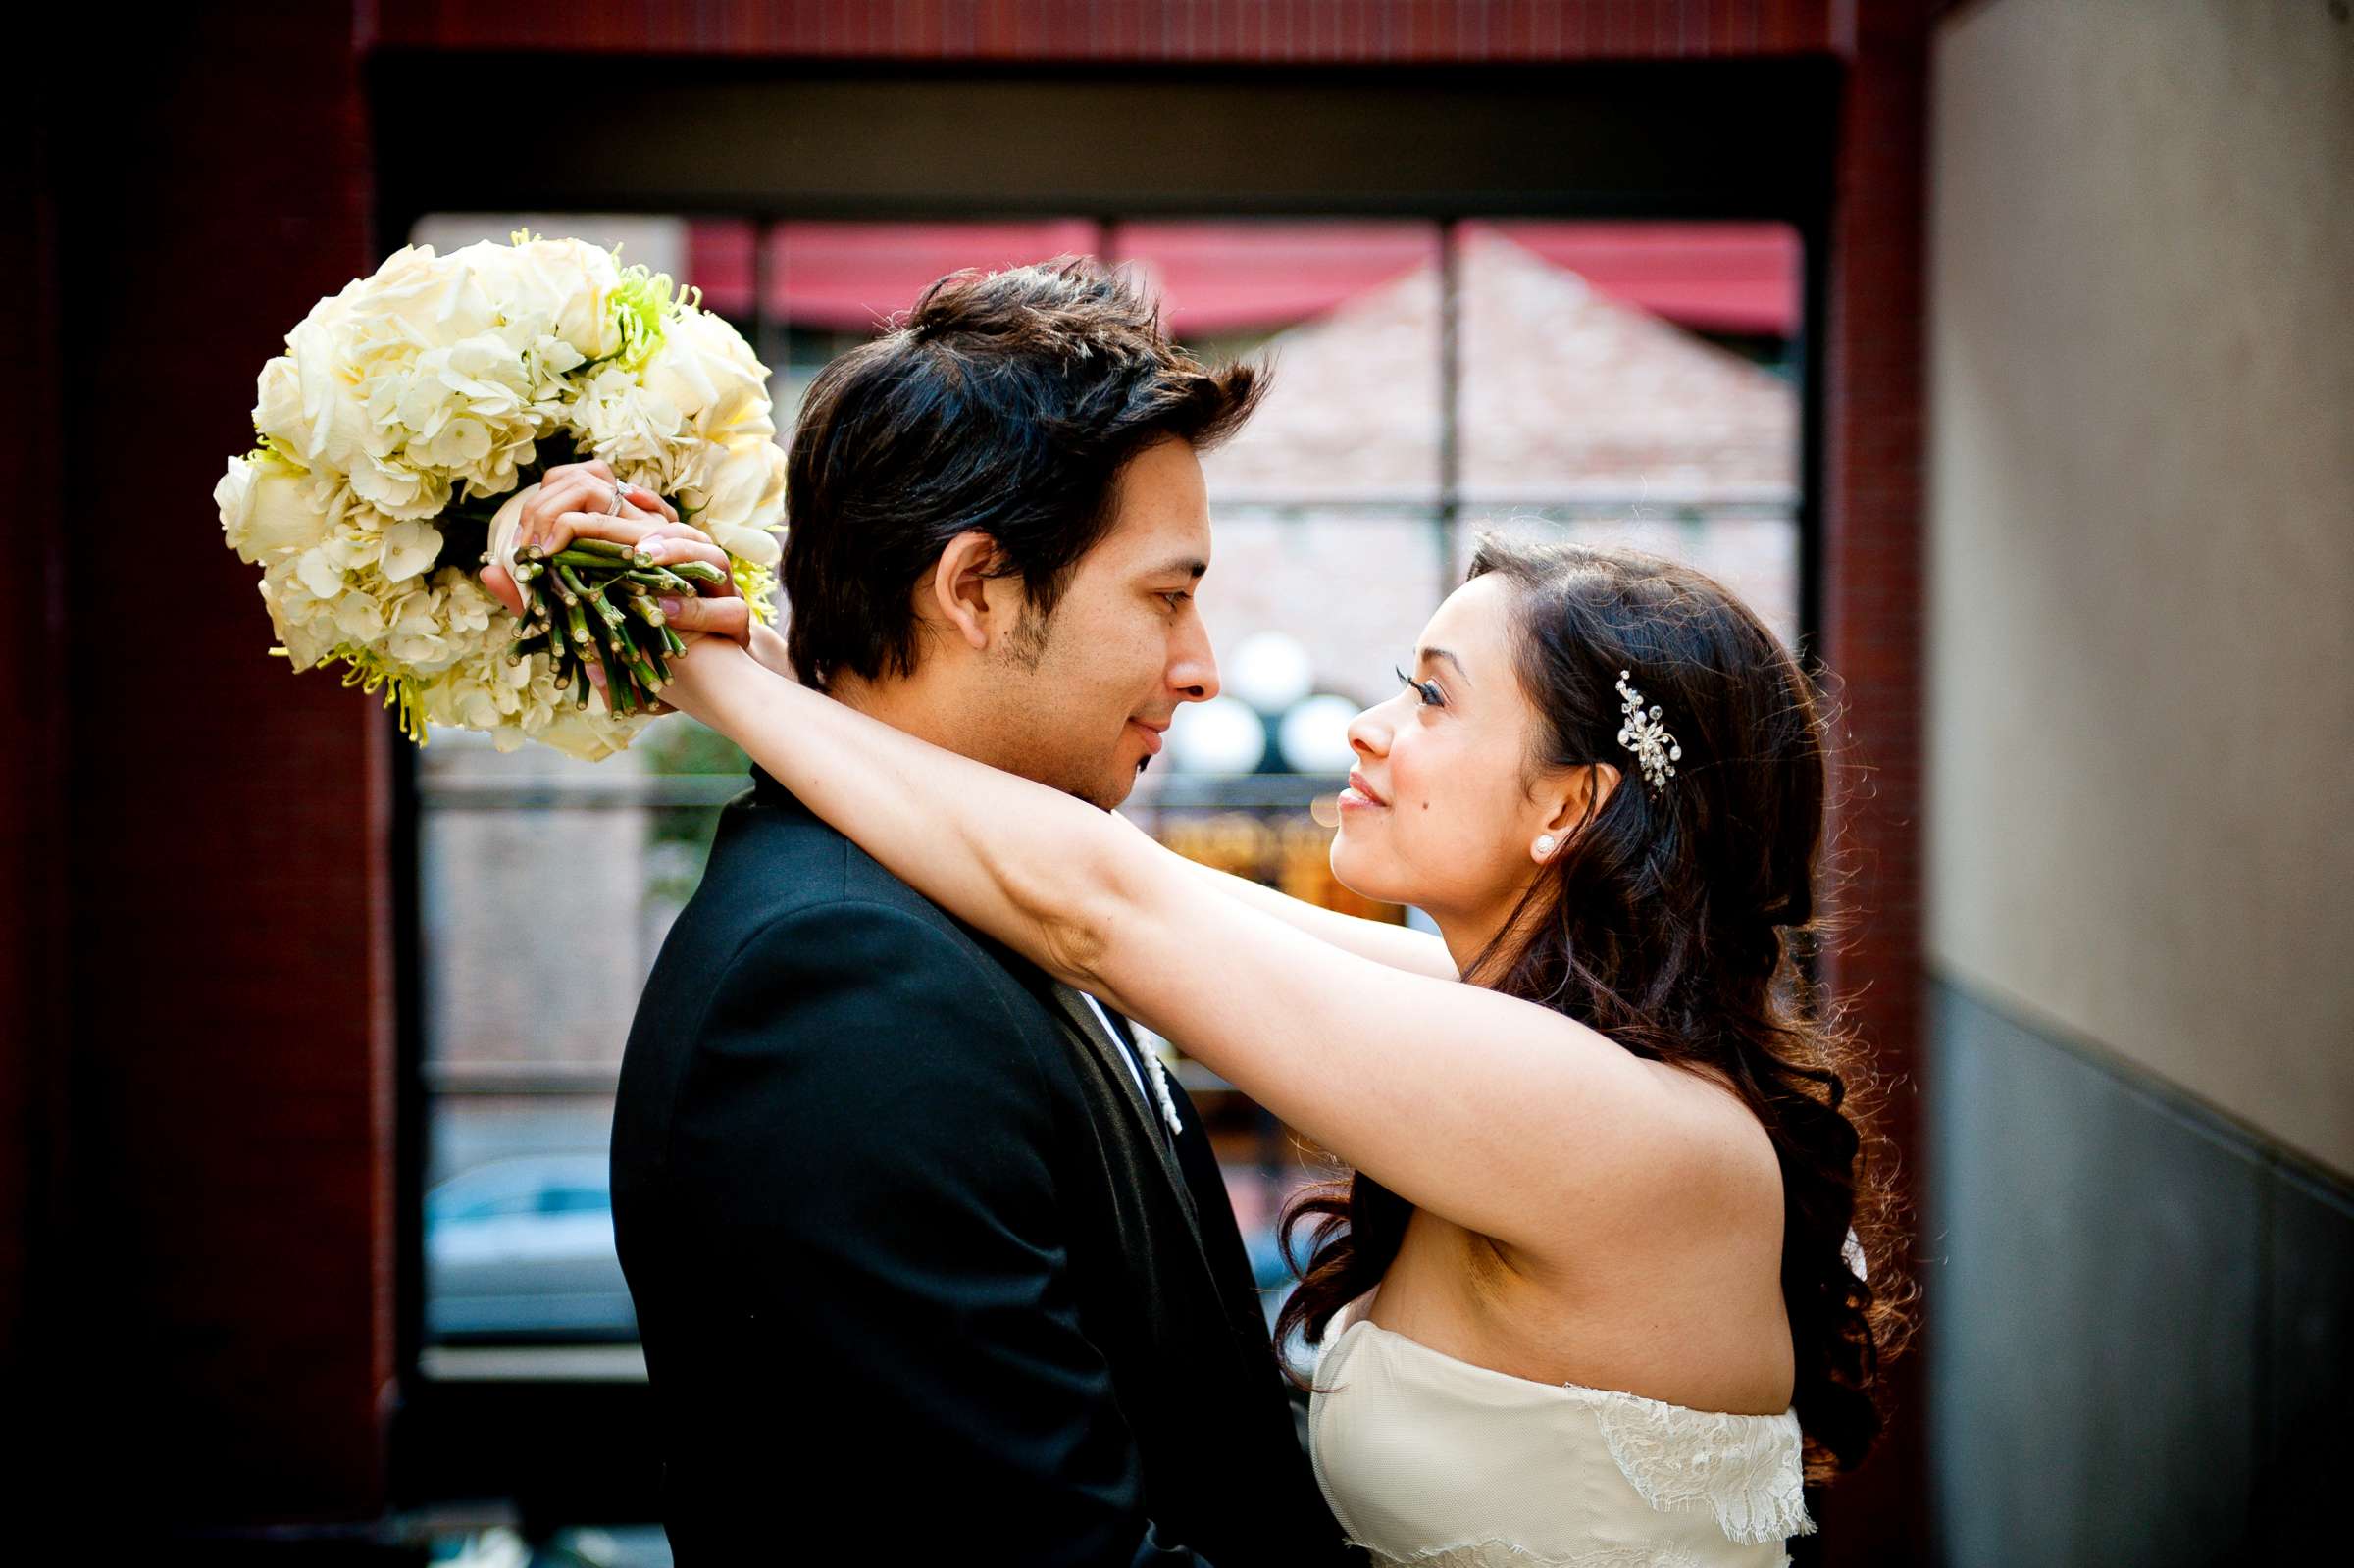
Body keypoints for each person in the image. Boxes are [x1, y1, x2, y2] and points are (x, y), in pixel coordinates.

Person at [534, 509, 1916, 1565]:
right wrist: (769, 661)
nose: (1365, 732)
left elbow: (1101, 907)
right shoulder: (1510, 1024)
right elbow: (1134, 892)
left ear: (1568, 805)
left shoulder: (1621, 1125)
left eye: (1431, 697)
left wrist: (702, 679)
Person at [480, 261, 1358, 1564]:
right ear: (979, 591)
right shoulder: (841, 985)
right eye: (1167, 597)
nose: (1204, 669)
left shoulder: (979, 898)